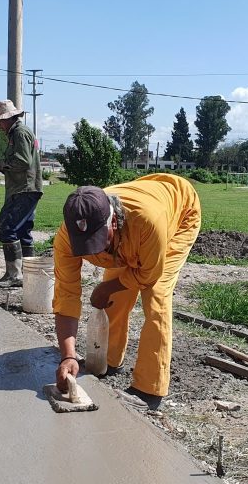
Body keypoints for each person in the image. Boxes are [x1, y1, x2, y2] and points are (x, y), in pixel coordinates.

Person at [52, 173, 202, 412]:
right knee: (115, 297)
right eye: (86, 244)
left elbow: (148, 275)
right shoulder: (66, 239)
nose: (95, 249)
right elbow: (66, 294)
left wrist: (106, 286)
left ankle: (149, 389)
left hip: (179, 211)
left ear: (112, 222)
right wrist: (67, 356)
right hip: (131, 229)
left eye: (99, 240)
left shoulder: (148, 222)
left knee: (156, 295)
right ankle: (109, 361)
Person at [0, 99, 42, 288]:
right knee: (22, 231)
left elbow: (22, 162)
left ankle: (14, 275)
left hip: (24, 189)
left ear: (8, 118)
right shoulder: (17, 133)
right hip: (27, 188)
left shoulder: (19, 133)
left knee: (6, 227)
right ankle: (29, 275)